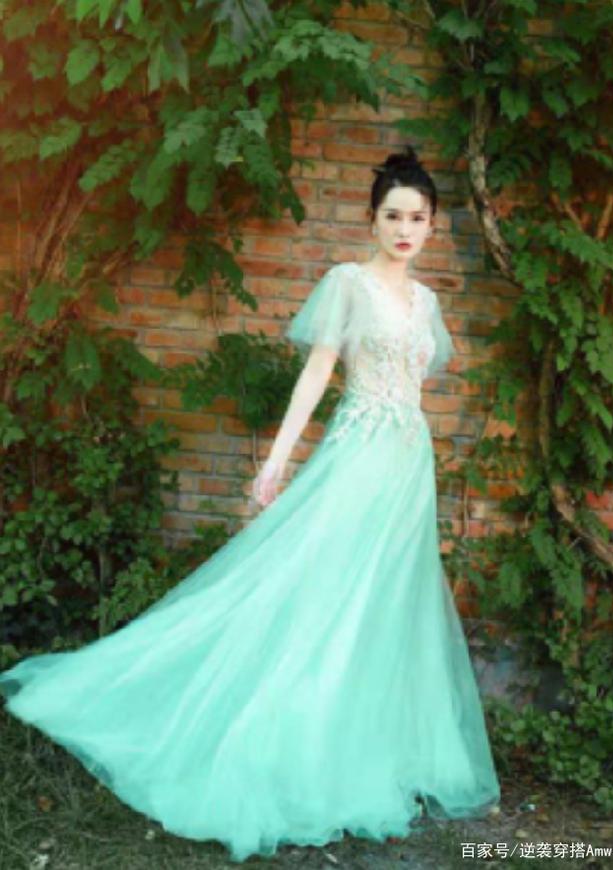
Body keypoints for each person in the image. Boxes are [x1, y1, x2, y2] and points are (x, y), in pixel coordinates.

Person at [0, 145, 501, 864]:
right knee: (322, 590)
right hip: (357, 457)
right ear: (371, 219)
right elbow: (317, 374)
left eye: (417, 218)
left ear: (431, 225)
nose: (404, 230)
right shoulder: (349, 283)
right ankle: (281, 735)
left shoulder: (427, 302)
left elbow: (417, 384)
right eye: (392, 216)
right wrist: (276, 461)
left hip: (407, 464)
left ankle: (368, 744)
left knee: (390, 600)